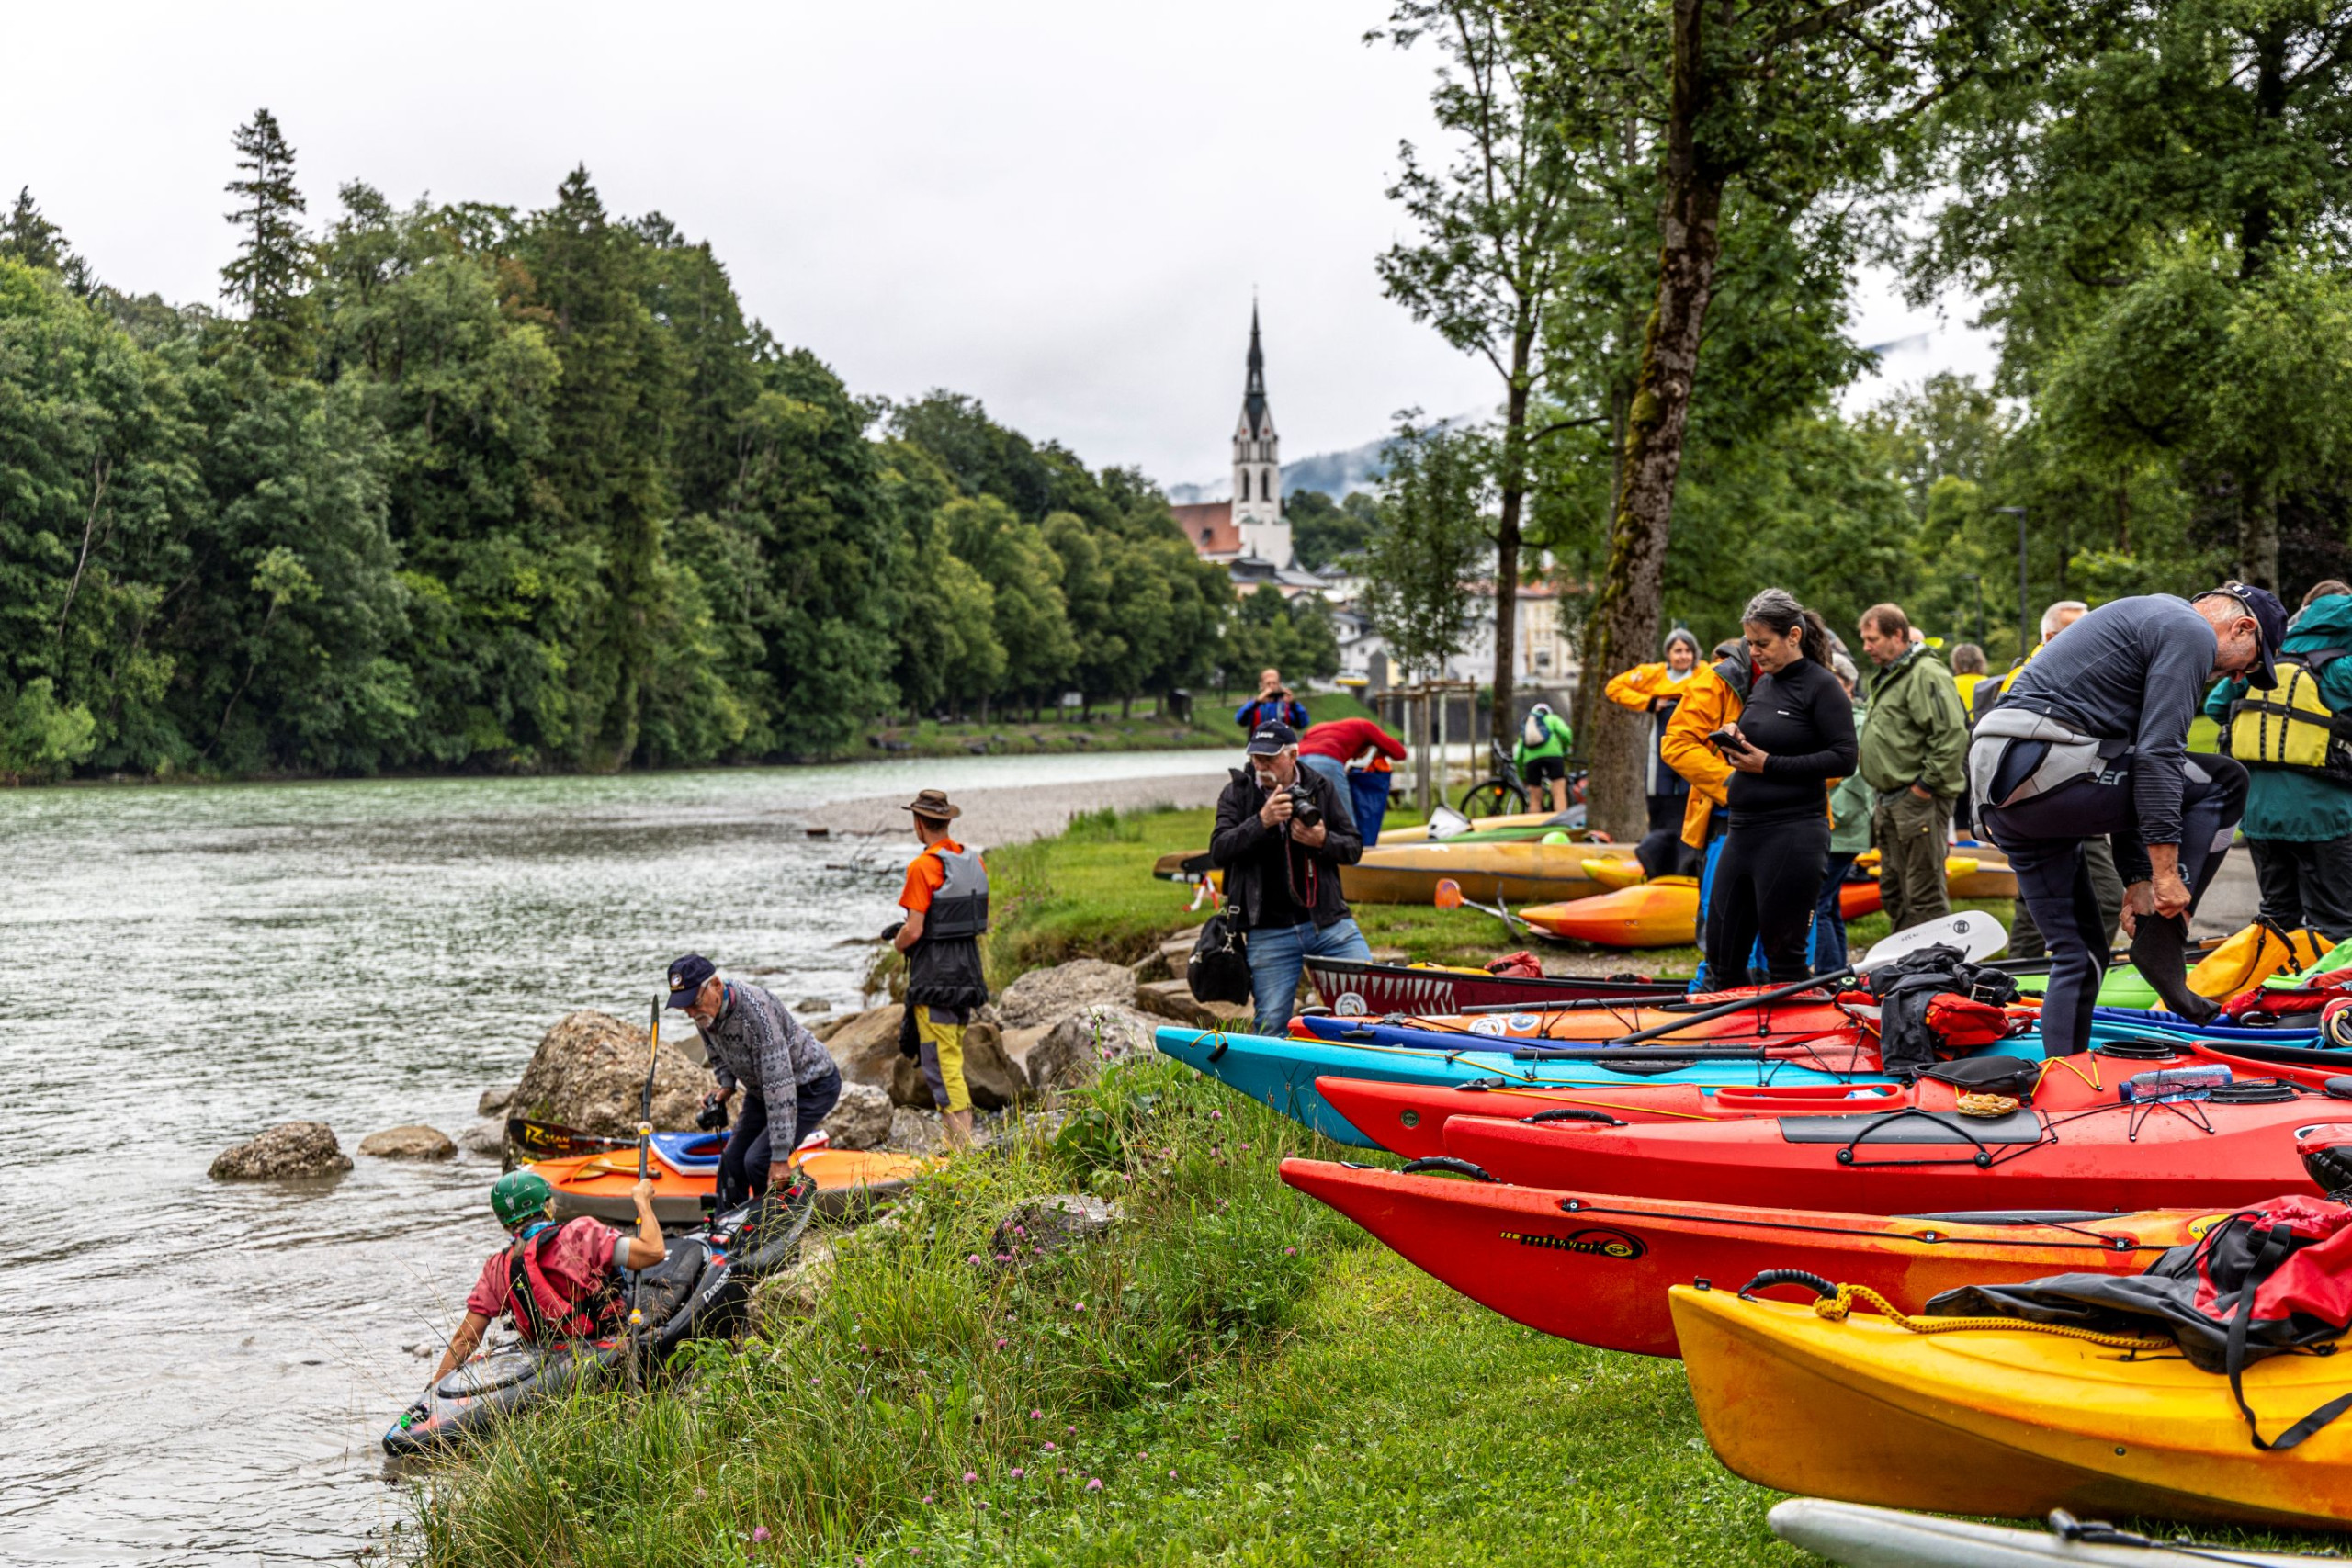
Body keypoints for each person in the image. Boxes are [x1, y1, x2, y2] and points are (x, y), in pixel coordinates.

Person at [1971, 586, 2276, 1055]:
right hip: (2044, 764)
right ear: (2243, 627)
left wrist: (2136, 876)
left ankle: (2064, 1079)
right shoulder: (2188, 630)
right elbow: (2158, 756)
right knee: (2225, 781)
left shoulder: (2149, 623)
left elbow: (2128, 764)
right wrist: (2165, 877)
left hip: (2004, 793)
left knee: (2081, 954)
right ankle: (2165, 937)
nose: (2236, 678)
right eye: (2248, 665)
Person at [1708, 590, 1858, 985]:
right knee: (1722, 958)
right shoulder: (1764, 685)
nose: (1754, 652)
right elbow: (1771, 735)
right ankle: (1729, 1040)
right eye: (1750, 643)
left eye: (1762, 643)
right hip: (1743, 832)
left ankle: (1784, 1043)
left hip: (1792, 833)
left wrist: (1768, 764)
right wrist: (1734, 735)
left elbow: (1845, 758)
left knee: (1785, 962)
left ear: (1793, 635)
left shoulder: (1822, 686)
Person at [422, 1169, 666, 1391]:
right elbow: (653, 1251)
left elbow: (465, 1339)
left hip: (545, 1364)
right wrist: (642, 1201)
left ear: (505, 1223)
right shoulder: (581, 1234)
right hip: (603, 1348)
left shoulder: (497, 1267)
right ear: (547, 1206)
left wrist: (433, 1391)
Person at [2204, 581, 2352, 940]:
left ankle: (2274, 990)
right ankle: (2333, 994)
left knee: (2277, 917)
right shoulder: (2343, 666)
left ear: (2305, 609)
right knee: (2337, 923)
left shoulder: (2268, 652)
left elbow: (2215, 707)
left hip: (2260, 814)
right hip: (2326, 813)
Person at [1209, 720, 1369, 1033]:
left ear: (1293, 756)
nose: (1261, 765)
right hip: (1268, 929)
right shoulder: (1238, 793)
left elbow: (1353, 847)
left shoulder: (1319, 785)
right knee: (1271, 1025)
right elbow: (1219, 850)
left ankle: (1361, 1074)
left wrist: (1322, 841)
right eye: (1256, 758)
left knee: (1369, 1005)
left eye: (1270, 758)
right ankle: (1277, 1084)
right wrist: (1261, 821)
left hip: (1328, 920)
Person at [1990, 601, 2123, 960]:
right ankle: (2037, 977)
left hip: (2077, 796)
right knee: (2048, 906)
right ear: (2050, 637)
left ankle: (2061, 968)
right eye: (2078, 631)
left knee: (2089, 899)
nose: (2093, 639)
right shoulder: (2027, 678)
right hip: (2045, 803)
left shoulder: (2082, 671)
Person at [672, 954, 842, 1204]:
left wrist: (780, 1157)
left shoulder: (757, 1014)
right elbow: (717, 1054)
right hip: (762, 1089)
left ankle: (776, 1227)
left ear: (716, 985)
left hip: (811, 1085)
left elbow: (780, 1088)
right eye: (683, 1006)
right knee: (731, 1160)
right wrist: (726, 1086)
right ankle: (731, 1227)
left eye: (693, 1003)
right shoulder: (705, 1013)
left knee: (759, 1160)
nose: (689, 1012)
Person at [1857, 604, 1970, 933]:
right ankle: (1906, 971)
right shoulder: (1892, 674)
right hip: (1891, 799)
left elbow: (1951, 734)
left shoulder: (1926, 674)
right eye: (1864, 639)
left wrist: (1923, 788)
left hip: (1917, 799)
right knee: (1894, 890)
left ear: (1898, 635)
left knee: (1923, 893)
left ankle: (1934, 971)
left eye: (1872, 639)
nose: (1866, 647)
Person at [890, 789, 990, 1148]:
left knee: (940, 1064)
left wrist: (897, 941)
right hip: (968, 974)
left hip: (935, 979)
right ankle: (958, 1147)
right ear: (947, 821)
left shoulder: (922, 867)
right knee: (953, 1055)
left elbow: (914, 930)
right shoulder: (973, 861)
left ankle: (963, 1152)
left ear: (919, 824)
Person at [1659, 637, 1759, 991]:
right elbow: (1676, 743)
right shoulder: (1715, 680)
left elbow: (1835, 757)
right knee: (1721, 914)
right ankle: (1713, 985)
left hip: (1783, 821)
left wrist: (1785, 782)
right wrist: (1734, 784)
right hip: (1724, 819)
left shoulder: (1807, 677)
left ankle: (1767, 990)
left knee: (1769, 928)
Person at [1604, 626, 1704, 877]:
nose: (1683, 656)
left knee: (1687, 806)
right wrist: (1649, 703)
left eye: (1687, 651)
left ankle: (1689, 863)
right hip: (1659, 754)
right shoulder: (1654, 674)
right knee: (1659, 803)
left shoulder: (1704, 673)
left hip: (1690, 752)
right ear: (1668, 654)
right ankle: (1658, 865)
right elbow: (1614, 687)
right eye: (1677, 651)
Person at [1816, 656, 1873, 972]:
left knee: (1819, 904)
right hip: (1836, 827)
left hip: (1841, 828)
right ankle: (1837, 973)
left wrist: (1824, 814)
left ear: (1848, 684)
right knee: (1830, 903)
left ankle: (1826, 976)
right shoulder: (1833, 719)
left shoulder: (1858, 723)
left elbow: (1856, 782)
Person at [1298, 716, 1408, 849]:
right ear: (1367, 745)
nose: (1356, 759)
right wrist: (1380, 750)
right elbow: (1400, 753)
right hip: (1327, 763)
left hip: (1298, 763)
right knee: (1345, 825)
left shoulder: (1317, 728)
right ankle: (1353, 858)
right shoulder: (1363, 726)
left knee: (1308, 816)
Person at [1514, 701, 1577, 815]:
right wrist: (1564, 749)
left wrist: (1523, 776)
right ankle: (1561, 823)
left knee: (1535, 799)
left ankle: (1536, 828)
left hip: (1531, 760)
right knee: (1558, 792)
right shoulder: (1553, 719)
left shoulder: (1528, 724)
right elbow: (1566, 733)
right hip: (1554, 756)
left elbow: (1518, 755)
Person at [1235, 669, 1308, 732]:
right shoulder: (1254, 706)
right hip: (1259, 746)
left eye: (1274, 683)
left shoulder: (1287, 706)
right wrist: (1257, 702)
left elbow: (1302, 724)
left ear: (1279, 684)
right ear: (1261, 685)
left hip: (1282, 745)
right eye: (1268, 683)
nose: (1271, 686)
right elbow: (1241, 721)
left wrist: (1293, 703)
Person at [1949, 643, 1990, 716]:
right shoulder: (1989, 683)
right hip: (1984, 725)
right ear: (1980, 661)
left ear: (1956, 662)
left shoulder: (1950, 683)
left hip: (1962, 725)